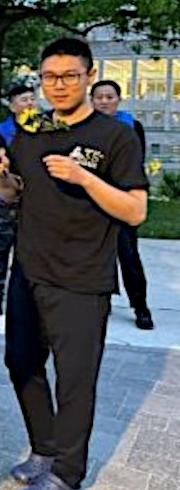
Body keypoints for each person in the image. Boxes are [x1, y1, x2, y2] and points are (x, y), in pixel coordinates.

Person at [0, 38, 147, 490]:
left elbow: (135, 210)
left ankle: (68, 477)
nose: (58, 85)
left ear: (89, 76)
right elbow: (17, 194)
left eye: (70, 76)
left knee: (74, 380)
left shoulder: (115, 136)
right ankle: (46, 449)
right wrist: (2, 176)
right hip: (29, 269)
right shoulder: (33, 132)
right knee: (21, 362)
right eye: (49, 77)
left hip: (81, 277)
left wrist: (84, 178)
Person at [91, 80, 154, 330]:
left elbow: (136, 163)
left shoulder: (132, 126)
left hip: (121, 199)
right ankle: (97, 305)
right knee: (93, 257)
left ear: (118, 99)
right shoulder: (83, 127)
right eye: (99, 97)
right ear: (92, 100)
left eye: (109, 97)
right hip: (90, 201)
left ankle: (140, 306)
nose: (104, 101)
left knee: (128, 256)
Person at [0, 85, 37, 315]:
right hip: (6, 199)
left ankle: (24, 294)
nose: (29, 103)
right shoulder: (2, 130)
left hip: (35, 200)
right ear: (12, 105)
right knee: (2, 247)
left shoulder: (44, 129)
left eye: (32, 99)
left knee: (28, 251)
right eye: (24, 99)